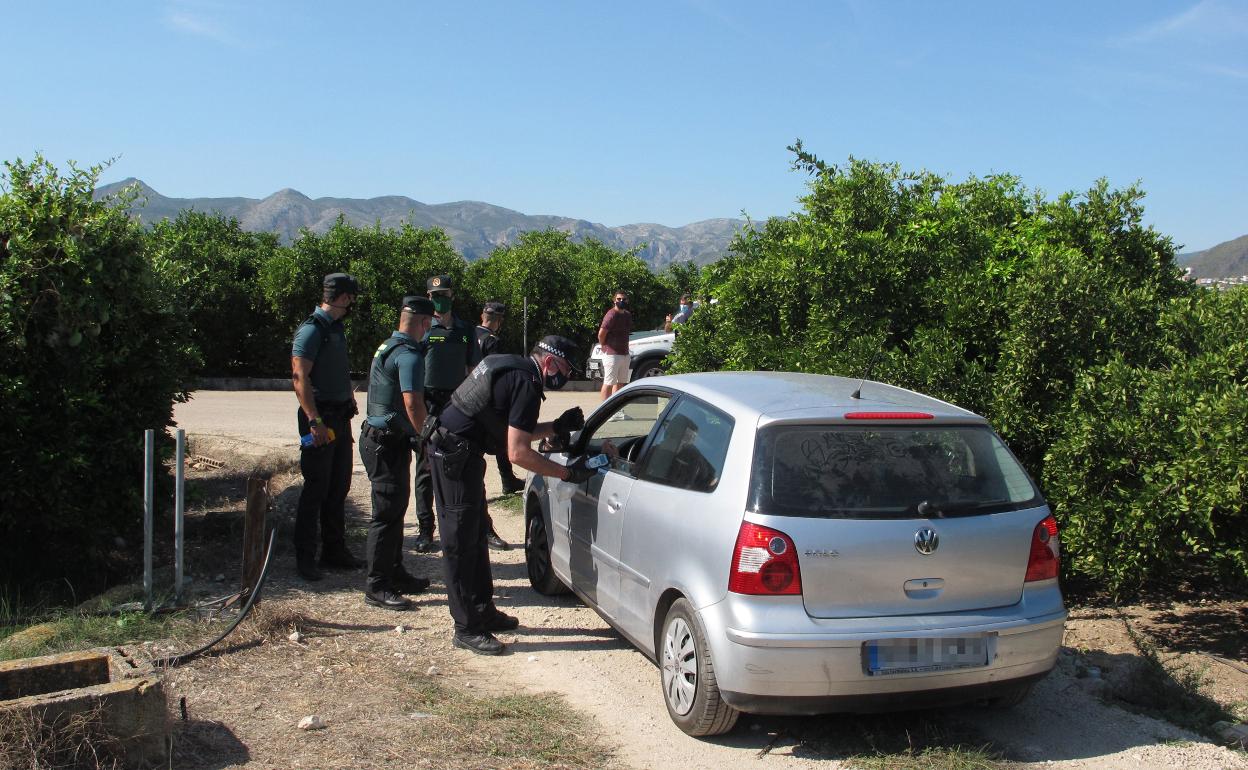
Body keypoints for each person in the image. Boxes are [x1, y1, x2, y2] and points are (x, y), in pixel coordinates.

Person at [428, 335, 600, 655]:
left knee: (476, 535)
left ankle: (483, 611)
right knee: (460, 544)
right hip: (453, 456)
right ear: (549, 362)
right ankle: (466, 627)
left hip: (457, 451)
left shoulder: (515, 370)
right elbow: (518, 452)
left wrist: (555, 426)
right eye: (565, 368)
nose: (567, 376)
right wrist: (566, 474)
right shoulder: (527, 383)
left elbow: (513, 430)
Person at [358, 295, 437, 610]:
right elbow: (412, 403)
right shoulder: (409, 355)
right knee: (386, 515)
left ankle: (395, 572)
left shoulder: (387, 345)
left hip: (380, 439)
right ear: (425, 323)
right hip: (385, 443)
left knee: (394, 509)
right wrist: (427, 435)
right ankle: (376, 586)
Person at [290, 272, 364, 582]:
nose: (353, 303)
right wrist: (314, 420)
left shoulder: (335, 329)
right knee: (316, 488)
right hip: (319, 420)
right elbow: (299, 377)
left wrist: (347, 399)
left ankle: (334, 551)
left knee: (338, 487)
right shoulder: (312, 330)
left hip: (339, 418)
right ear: (344, 297)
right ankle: (305, 559)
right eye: (352, 297)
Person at [412, 275, 482, 554]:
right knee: (425, 468)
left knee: (463, 464)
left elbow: (474, 370)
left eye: (444, 293)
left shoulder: (465, 330)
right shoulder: (422, 330)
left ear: (453, 296)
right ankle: (425, 530)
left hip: (455, 404)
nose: (440, 298)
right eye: (434, 295)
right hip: (428, 404)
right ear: (428, 298)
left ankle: (466, 528)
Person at [473, 301, 519, 551]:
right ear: (499, 320)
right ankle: (507, 479)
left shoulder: (469, 334)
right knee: (502, 440)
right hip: (486, 401)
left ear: (483, 316)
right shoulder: (492, 341)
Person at [598, 289, 632, 401]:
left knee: (620, 383)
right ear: (614, 300)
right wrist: (603, 345)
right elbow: (601, 334)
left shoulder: (627, 315)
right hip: (612, 355)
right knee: (608, 383)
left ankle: (616, 411)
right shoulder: (611, 315)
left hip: (624, 354)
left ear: (627, 300)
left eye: (624, 299)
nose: (621, 301)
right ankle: (603, 410)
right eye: (619, 299)